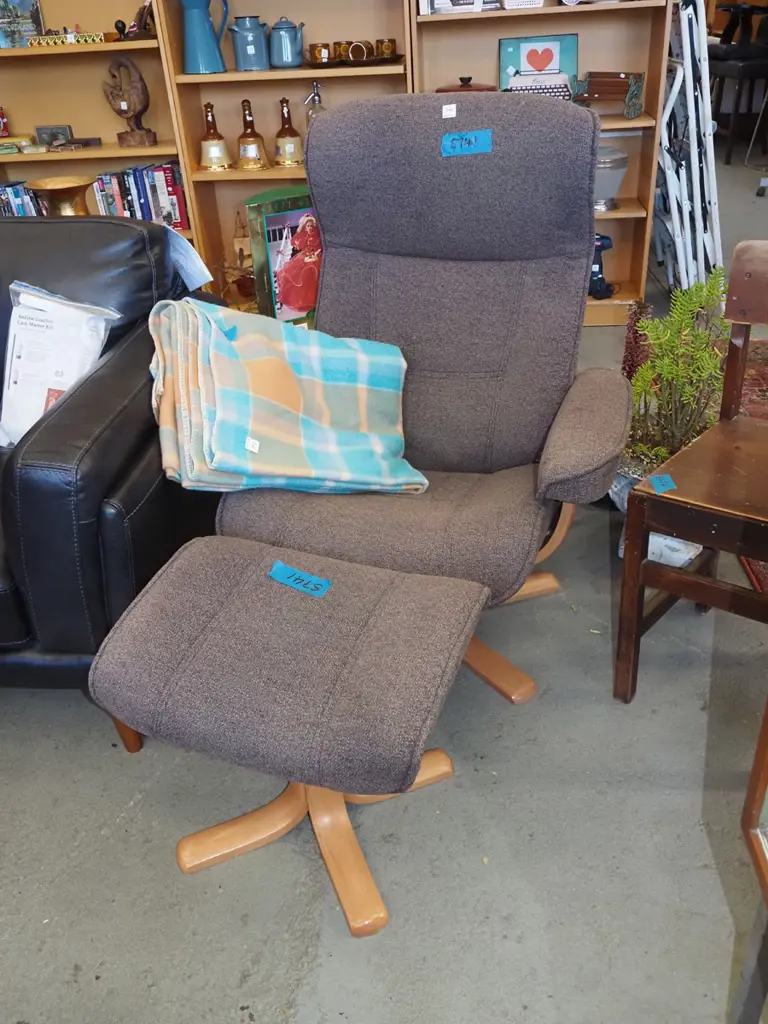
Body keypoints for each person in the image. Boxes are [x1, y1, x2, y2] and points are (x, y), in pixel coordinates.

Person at [274, 213, 322, 316]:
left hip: (316, 256)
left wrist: (316, 253)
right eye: (308, 226)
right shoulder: (304, 234)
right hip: (305, 256)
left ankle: (316, 298)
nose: (309, 228)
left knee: (313, 270)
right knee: (297, 272)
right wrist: (300, 227)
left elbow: (320, 246)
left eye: (311, 226)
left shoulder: (317, 234)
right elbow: (294, 242)